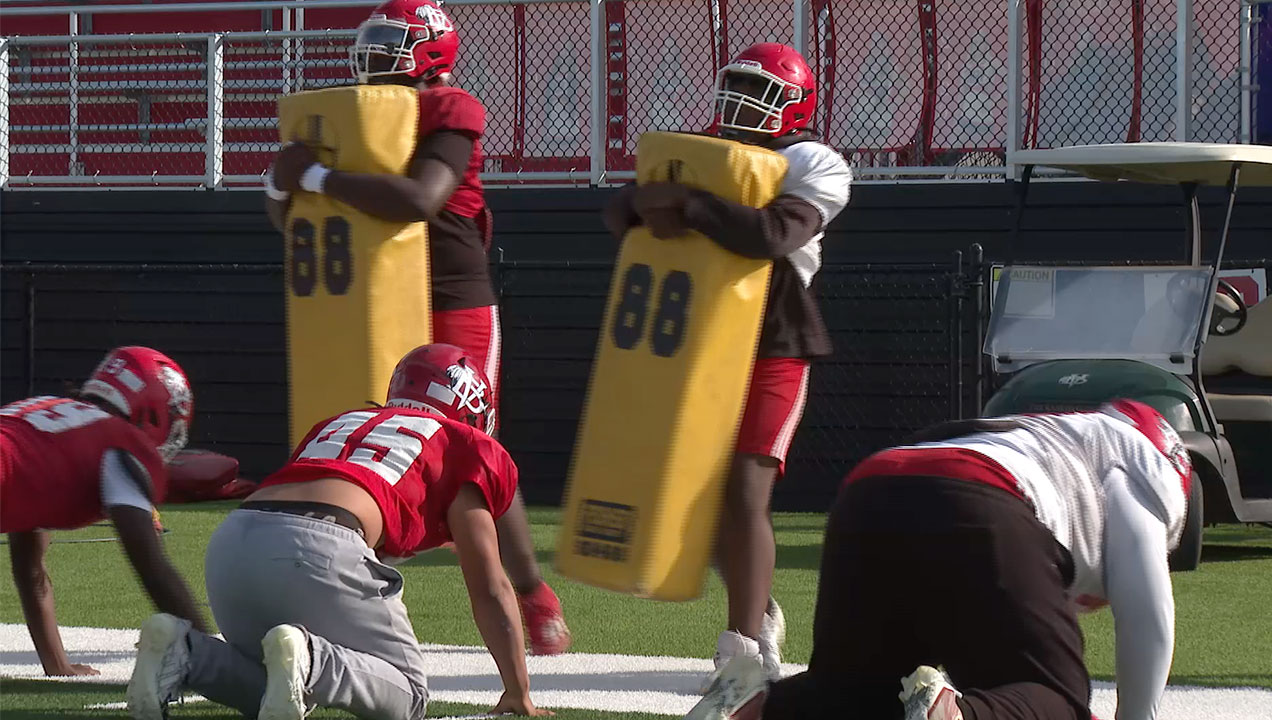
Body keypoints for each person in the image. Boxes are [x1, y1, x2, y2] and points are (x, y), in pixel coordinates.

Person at [264, 0, 570, 656]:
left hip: (451, 296)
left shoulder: (450, 108)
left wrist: (313, 173)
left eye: (392, 43)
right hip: (373, 299)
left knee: (474, 451)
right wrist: (283, 184)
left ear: (434, 50)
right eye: (372, 42)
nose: (376, 57)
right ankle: (344, 589)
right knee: (367, 439)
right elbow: (289, 215)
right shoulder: (351, 114)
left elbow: (419, 198)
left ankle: (529, 592)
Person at [685, 400, 1192, 720]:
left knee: (856, 697)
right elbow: (1148, 608)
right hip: (976, 496)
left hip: (871, 490)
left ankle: (751, 704)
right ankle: (949, 716)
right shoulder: (1145, 462)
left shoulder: (1054, 434)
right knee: (1054, 698)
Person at [602, 42, 852, 679]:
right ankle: (759, 607)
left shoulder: (813, 159)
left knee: (746, 491)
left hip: (773, 343)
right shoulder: (708, 154)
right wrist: (655, 201)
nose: (741, 101)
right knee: (703, 496)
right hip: (701, 341)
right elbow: (619, 211)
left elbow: (770, 236)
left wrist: (686, 204)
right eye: (735, 85)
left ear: (795, 104)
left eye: (760, 90)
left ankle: (743, 644)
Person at [127, 344, 550, 720]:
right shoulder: (463, 443)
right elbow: (491, 587)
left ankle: (186, 653)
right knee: (408, 694)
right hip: (321, 543)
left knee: (275, 683)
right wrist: (518, 692)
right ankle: (312, 660)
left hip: (234, 541)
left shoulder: (344, 422)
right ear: (472, 406)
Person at [0, 346, 206, 677]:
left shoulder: (50, 420)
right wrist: (210, 653)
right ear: (153, 411)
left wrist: (57, 665)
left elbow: (30, 569)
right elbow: (151, 566)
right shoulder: (120, 441)